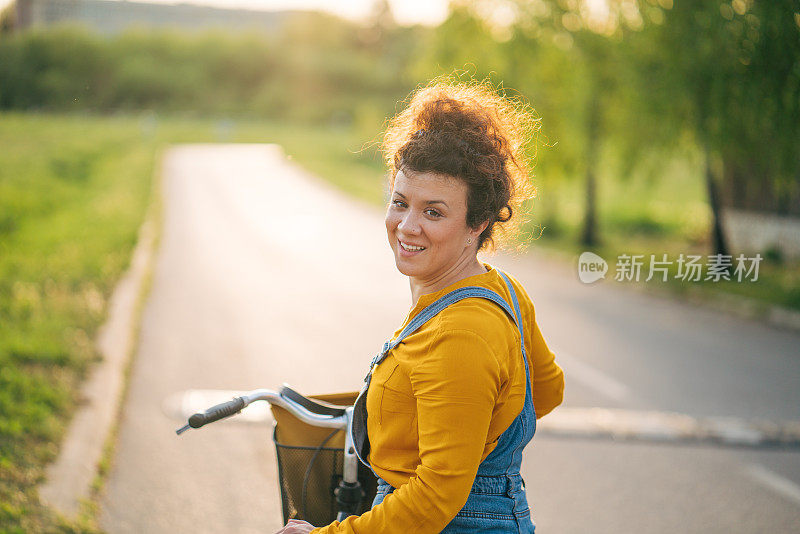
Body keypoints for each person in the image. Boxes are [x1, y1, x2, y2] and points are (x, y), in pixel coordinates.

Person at [277, 80, 564, 534]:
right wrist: (474, 439)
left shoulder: (460, 333)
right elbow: (546, 391)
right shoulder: (504, 290)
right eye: (400, 202)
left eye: (433, 212)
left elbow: (435, 497)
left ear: (478, 224)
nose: (407, 227)